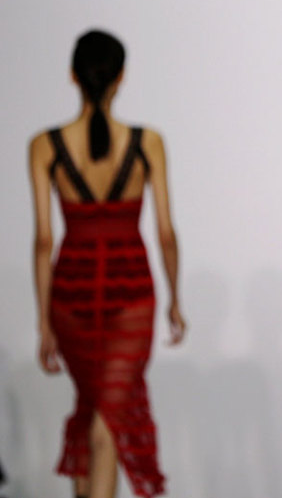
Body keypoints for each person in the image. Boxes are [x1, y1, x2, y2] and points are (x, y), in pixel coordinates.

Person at [27, 30, 185, 498]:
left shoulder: (45, 146)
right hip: (130, 294)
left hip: (71, 296)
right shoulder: (148, 143)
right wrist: (175, 299)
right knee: (106, 419)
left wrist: (44, 321)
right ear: (121, 78)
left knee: (95, 410)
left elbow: (43, 240)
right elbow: (166, 233)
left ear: (73, 76)